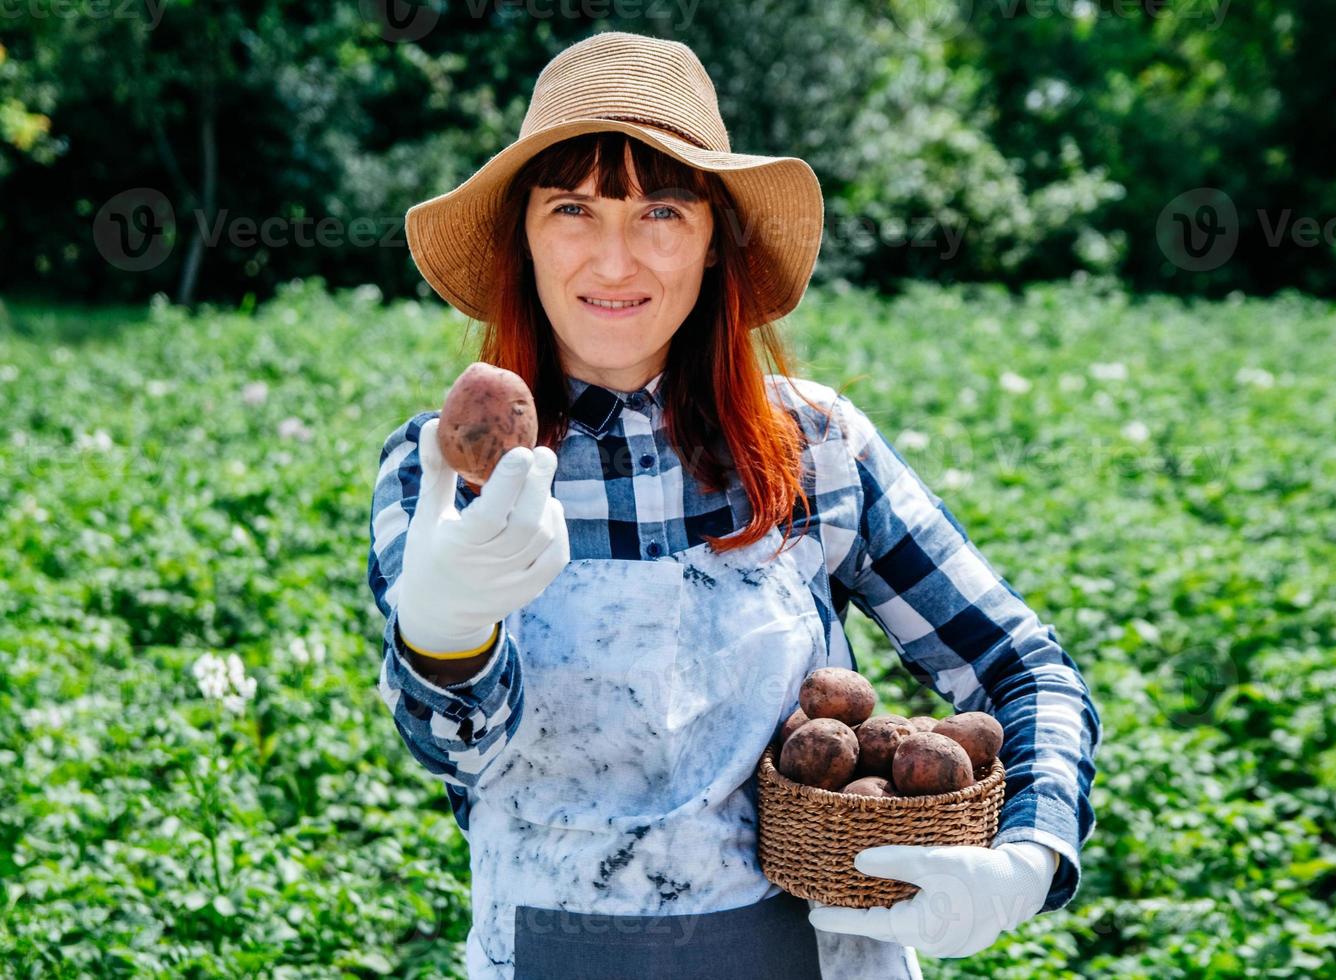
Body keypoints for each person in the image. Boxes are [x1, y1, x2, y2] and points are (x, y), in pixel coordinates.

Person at [366, 30, 1101, 980]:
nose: (617, 260)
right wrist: (444, 633)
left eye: (662, 211)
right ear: (526, 236)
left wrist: (1031, 853)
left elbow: (1017, 661)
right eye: (574, 209)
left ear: (715, 241)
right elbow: (457, 755)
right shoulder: (443, 473)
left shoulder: (813, 447)